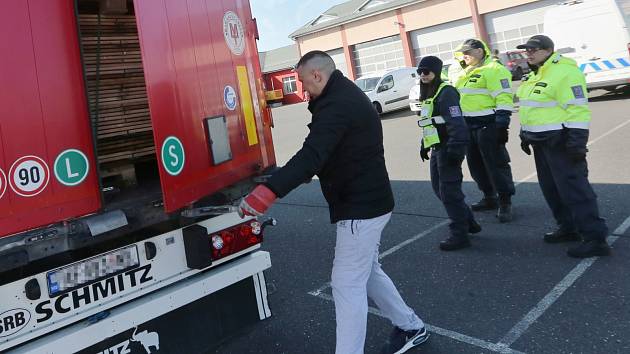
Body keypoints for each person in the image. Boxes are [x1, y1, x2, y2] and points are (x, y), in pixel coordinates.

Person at [238, 51, 429, 354]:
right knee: (367, 273)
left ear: (317, 75)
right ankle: (411, 326)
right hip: (371, 201)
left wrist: (266, 194)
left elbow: (313, 155)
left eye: (302, 82)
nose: (301, 90)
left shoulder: (337, 105)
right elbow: (324, 152)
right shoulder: (341, 95)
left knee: (345, 283)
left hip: (361, 207)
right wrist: (277, 176)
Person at [516, 35, 611, 258]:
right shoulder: (535, 73)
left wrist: (577, 142)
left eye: (533, 49)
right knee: (551, 188)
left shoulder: (565, 72)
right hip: (541, 142)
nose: (528, 53)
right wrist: (524, 133)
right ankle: (568, 227)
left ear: (549, 50)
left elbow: (577, 109)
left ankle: (595, 238)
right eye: (526, 50)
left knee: (575, 190)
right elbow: (531, 108)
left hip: (561, 141)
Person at [411, 56, 481, 251]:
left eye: (427, 72)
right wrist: (424, 144)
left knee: (450, 192)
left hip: (449, 148)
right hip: (437, 147)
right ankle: (469, 222)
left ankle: (460, 234)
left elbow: (456, 123)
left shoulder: (446, 92)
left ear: (436, 71)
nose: (423, 76)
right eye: (420, 72)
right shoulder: (428, 92)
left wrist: (456, 149)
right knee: (439, 188)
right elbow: (430, 122)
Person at [454, 38, 516, 222]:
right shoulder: (465, 72)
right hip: (468, 126)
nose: (464, 56)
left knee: (496, 164)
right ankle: (489, 197)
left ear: (480, 51)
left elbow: (504, 98)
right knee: (476, 165)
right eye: (463, 53)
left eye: (468, 52)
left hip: (488, 125)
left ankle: (505, 202)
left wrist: (502, 125)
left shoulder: (495, 70)